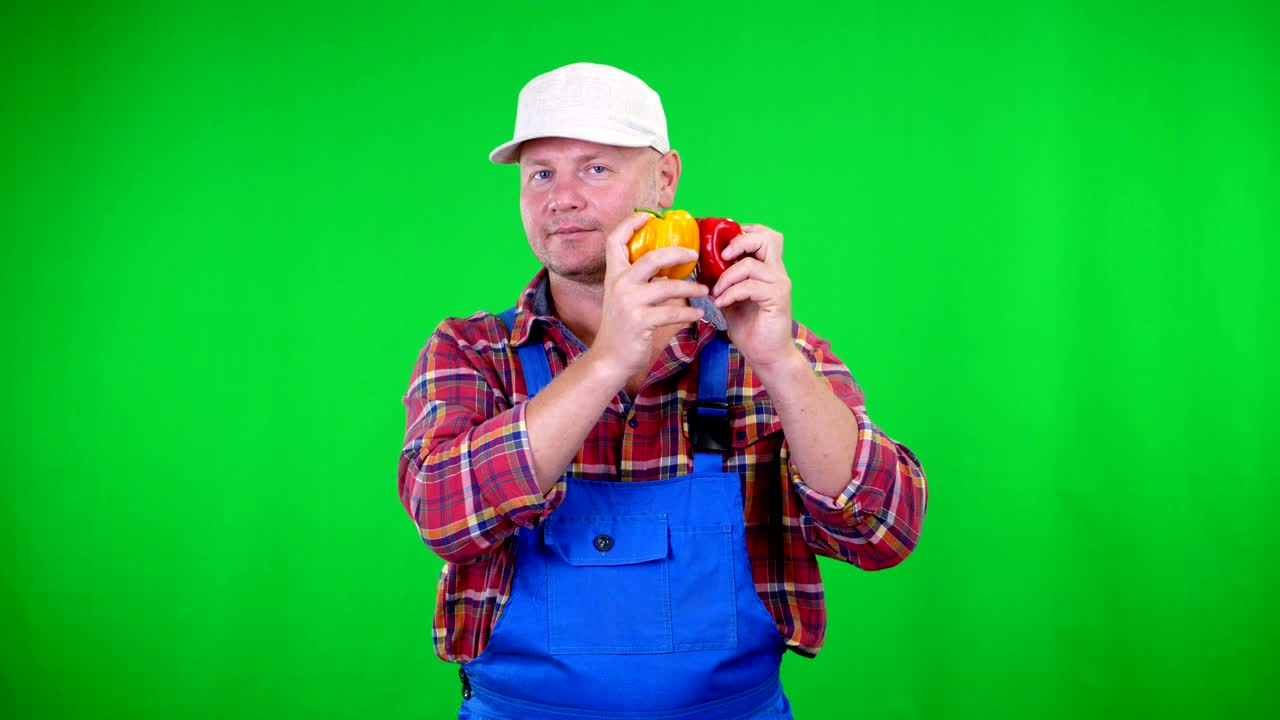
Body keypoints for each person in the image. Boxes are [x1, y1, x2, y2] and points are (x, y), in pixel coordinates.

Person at [397, 62, 928, 720]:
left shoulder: (759, 345)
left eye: (595, 168)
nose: (560, 197)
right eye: (541, 172)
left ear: (666, 178)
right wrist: (609, 361)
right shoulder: (473, 352)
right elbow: (442, 515)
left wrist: (782, 364)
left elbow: (884, 531)